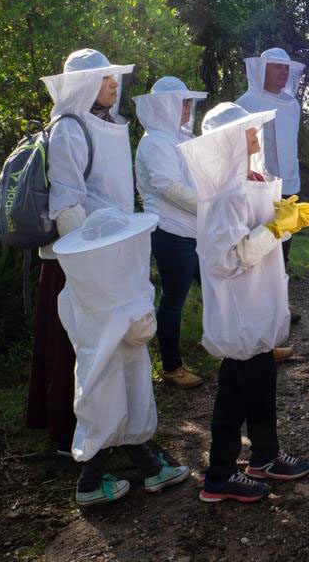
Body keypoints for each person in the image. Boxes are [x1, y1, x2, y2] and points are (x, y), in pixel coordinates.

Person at [179, 103, 309, 502]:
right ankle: (222, 473)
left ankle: (260, 459)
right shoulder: (223, 193)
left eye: (254, 129)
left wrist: (282, 222)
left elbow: (255, 235)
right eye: (247, 132)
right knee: (242, 392)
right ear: (226, 142)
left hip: (255, 301)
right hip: (240, 308)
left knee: (253, 387)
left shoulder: (247, 178)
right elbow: (227, 258)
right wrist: (277, 228)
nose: (256, 137)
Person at [27, 48, 134, 455]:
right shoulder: (70, 128)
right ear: (84, 85)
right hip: (77, 261)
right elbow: (67, 205)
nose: (114, 83)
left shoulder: (103, 123)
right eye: (105, 77)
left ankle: (110, 425)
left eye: (114, 77)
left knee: (103, 344)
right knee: (72, 347)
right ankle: (68, 432)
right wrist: (88, 264)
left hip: (107, 253)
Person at [53, 208, 191, 506]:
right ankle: (88, 486)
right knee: (120, 416)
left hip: (92, 362)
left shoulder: (76, 285)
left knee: (109, 416)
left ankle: (152, 469)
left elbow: (67, 316)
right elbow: (142, 331)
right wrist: (144, 313)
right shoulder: (125, 293)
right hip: (125, 363)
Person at [134, 76, 208, 389]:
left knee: (222, 287)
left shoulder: (176, 138)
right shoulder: (155, 142)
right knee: (174, 301)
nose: (189, 108)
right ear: (166, 105)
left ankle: (239, 344)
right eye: (184, 102)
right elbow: (170, 188)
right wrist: (212, 205)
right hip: (171, 233)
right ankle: (172, 366)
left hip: (194, 229)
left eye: (190, 102)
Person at [237, 48, 307, 328]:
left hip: (287, 184)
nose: (282, 72)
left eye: (286, 68)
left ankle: (281, 306)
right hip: (256, 186)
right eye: (277, 67)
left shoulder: (292, 104)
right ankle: (256, 307)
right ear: (262, 69)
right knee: (258, 243)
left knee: (284, 246)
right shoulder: (246, 102)